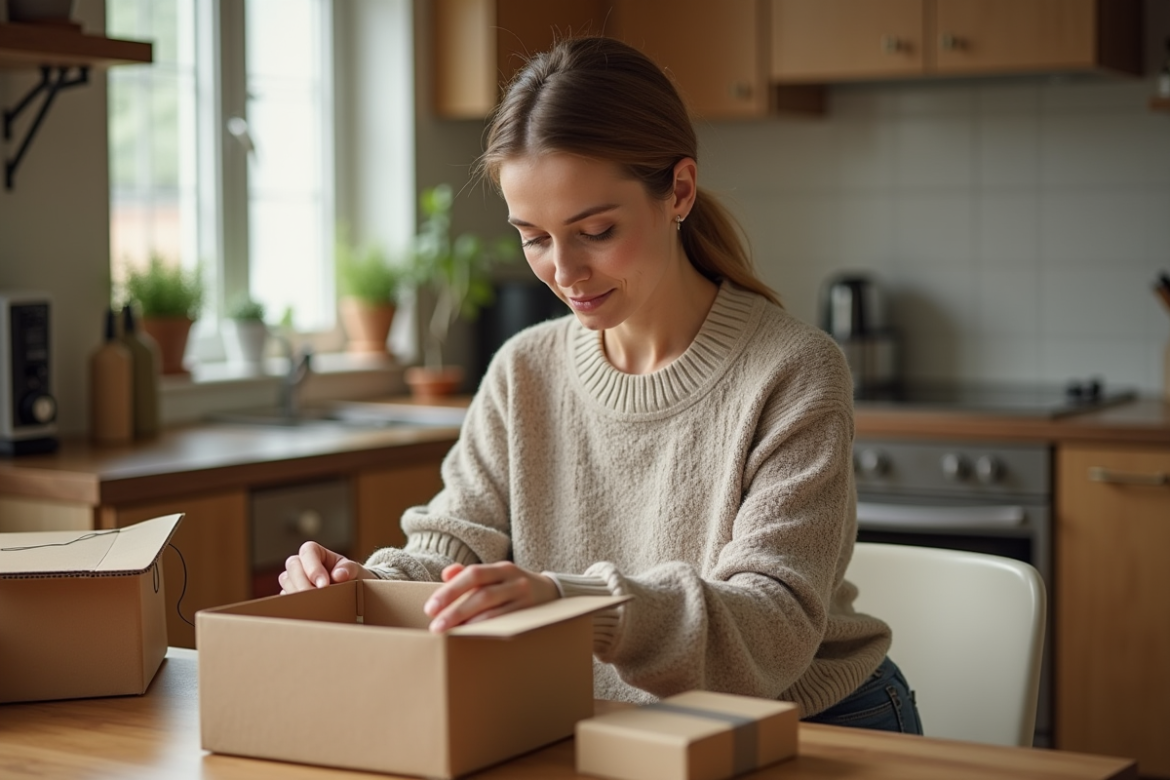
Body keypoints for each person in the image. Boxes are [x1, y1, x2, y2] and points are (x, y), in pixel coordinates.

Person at [281, 35, 922, 735]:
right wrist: (367, 584)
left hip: (815, 724)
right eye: (533, 237)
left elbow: (770, 626)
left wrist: (571, 602)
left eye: (595, 230)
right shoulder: (524, 370)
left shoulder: (793, 370)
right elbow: (455, 545)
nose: (564, 271)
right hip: (617, 725)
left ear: (678, 190)